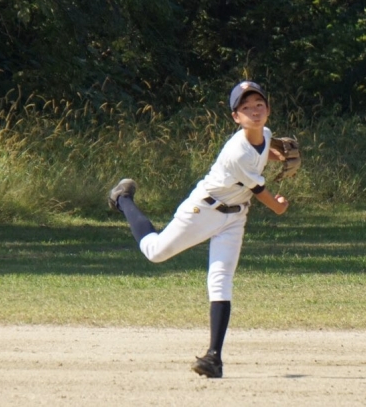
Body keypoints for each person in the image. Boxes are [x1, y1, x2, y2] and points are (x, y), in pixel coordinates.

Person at [108, 80, 289, 378]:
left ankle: (213, 358)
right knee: (154, 252)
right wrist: (279, 207)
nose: (254, 111)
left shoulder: (266, 134)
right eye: (246, 108)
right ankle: (123, 199)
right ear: (236, 117)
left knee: (221, 281)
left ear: (268, 109)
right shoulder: (236, 152)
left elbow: (263, 146)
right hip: (203, 210)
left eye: (259, 105)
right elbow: (262, 194)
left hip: (235, 217)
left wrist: (275, 153)